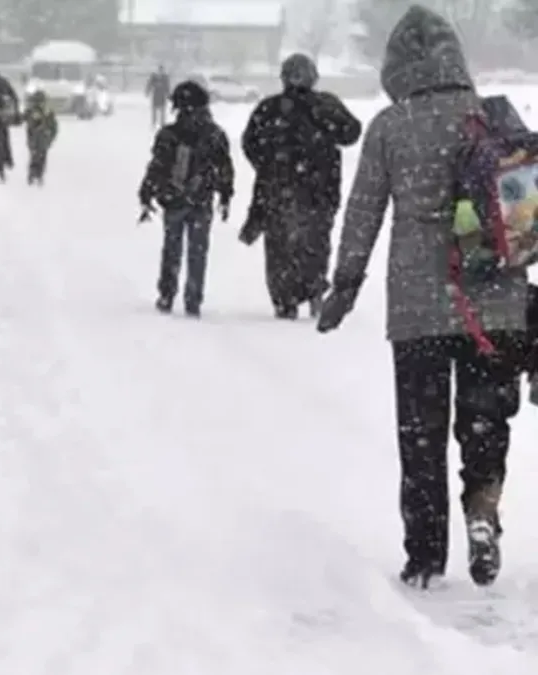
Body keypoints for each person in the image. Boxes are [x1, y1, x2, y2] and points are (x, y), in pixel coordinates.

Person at [316, 5, 528, 589]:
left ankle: (425, 556)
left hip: (419, 310)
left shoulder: (391, 125)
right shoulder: (491, 119)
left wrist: (344, 286)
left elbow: (363, 214)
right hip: (497, 303)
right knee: (485, 421)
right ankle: (483, 510)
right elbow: (525, 218)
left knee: (422, 435)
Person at [240, 53, 362, 320]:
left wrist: (269, 166)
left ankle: (285, 299)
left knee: (280, 248)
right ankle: (314, 288)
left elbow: (250, 143)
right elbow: (352, 132)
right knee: (315, 243)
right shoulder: (325, 104)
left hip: (279, 191)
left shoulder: (269, 108)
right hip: (319, 191)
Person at [138, 81, 234, 318]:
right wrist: (225, 194)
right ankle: (193, 298)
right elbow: (224, 167)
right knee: (197, 251)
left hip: (174, 199)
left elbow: (157, 167)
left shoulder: (169, 134)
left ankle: (167, 293)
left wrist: (147, 192)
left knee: (172, 248)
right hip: (201, 200)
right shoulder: (214, 134)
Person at [23, 89, 58, 185]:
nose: (39, 104)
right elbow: (23, 119)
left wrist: (51, 138)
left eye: (41, 101)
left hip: (43, 139)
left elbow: (54, 127)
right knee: (35, 156)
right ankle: (32, 174)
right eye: (37, 102)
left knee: (41, 157)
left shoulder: (48, 113)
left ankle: (39, 174)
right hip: (34, 139)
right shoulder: (31, 112)